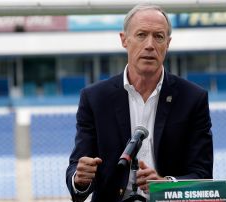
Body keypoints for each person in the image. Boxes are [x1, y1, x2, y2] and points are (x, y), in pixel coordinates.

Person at [66, 3, 213, 202]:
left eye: (158, 36)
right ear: (124, 40)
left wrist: (167, 184)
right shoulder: (94, 98)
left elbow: (202, 174)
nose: (150, 45)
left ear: (167, 44)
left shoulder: (193, 99)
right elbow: (78, 170)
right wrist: (80, 179)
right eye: (141, 35)